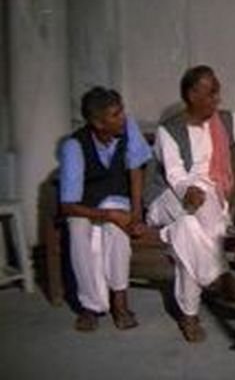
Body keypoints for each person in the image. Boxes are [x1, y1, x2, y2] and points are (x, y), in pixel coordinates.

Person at [145, 65, 235, 343]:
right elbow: (175, 175)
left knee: (186, 228)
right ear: (192, 95)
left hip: (207, 196)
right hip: (166, 196)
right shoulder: (169, 130)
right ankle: (221, 278)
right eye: (211, 93)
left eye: (218, 92)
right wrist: (188, 191)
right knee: (198, 218)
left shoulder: (224, 121)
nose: (218, 99)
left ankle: (189, 314)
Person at [59, 87, 152, 332]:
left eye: (121, 111)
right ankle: (90, 306)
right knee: (78, 231)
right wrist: (109, 215)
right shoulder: (74, 146)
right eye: (115, 115)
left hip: (118, 197)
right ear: (98, 123)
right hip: (85, 205)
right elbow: (67, 205)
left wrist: (136, 215)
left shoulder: (128, 127)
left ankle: (120, 302)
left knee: (117, 231)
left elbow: (136, 172)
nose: (123, 117)